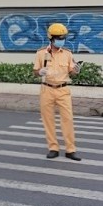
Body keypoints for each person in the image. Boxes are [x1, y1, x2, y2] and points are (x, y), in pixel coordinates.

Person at [33, 22, 82, 161]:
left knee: (68, 119)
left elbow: (72, 72)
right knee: (48, 120)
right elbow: (35, 71)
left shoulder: (67, 53)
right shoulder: (41, 53)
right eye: (58, 38)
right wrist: (39, 72)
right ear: (51, 38)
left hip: (63, 89)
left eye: (63, 38)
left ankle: (70, 150)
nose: (61, 40)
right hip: (47, 89)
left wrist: (76, 70)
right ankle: (53, 148)